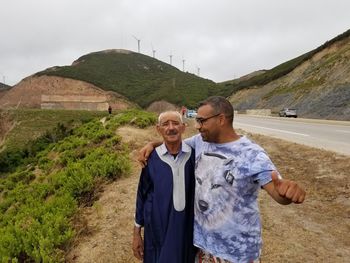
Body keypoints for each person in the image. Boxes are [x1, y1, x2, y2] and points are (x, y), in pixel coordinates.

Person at [139, 96, 306, 263]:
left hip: (236, 254)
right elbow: (174, 143)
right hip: (202, 249)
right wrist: (152, 145)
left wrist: (286, 194)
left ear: (221, 119)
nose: (197, 126)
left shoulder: (252, 154)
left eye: (202, 121)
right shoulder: (201, 141)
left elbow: (277, 193)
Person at [133, 111, 196, 263]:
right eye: (165, 124)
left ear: (183, 127)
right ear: (158, 129)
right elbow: (142, 195)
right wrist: (136, 233)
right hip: (157, 232)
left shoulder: (195, 155)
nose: (171, 128)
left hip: (187, 230)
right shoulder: (151, 159)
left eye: (175, 123)